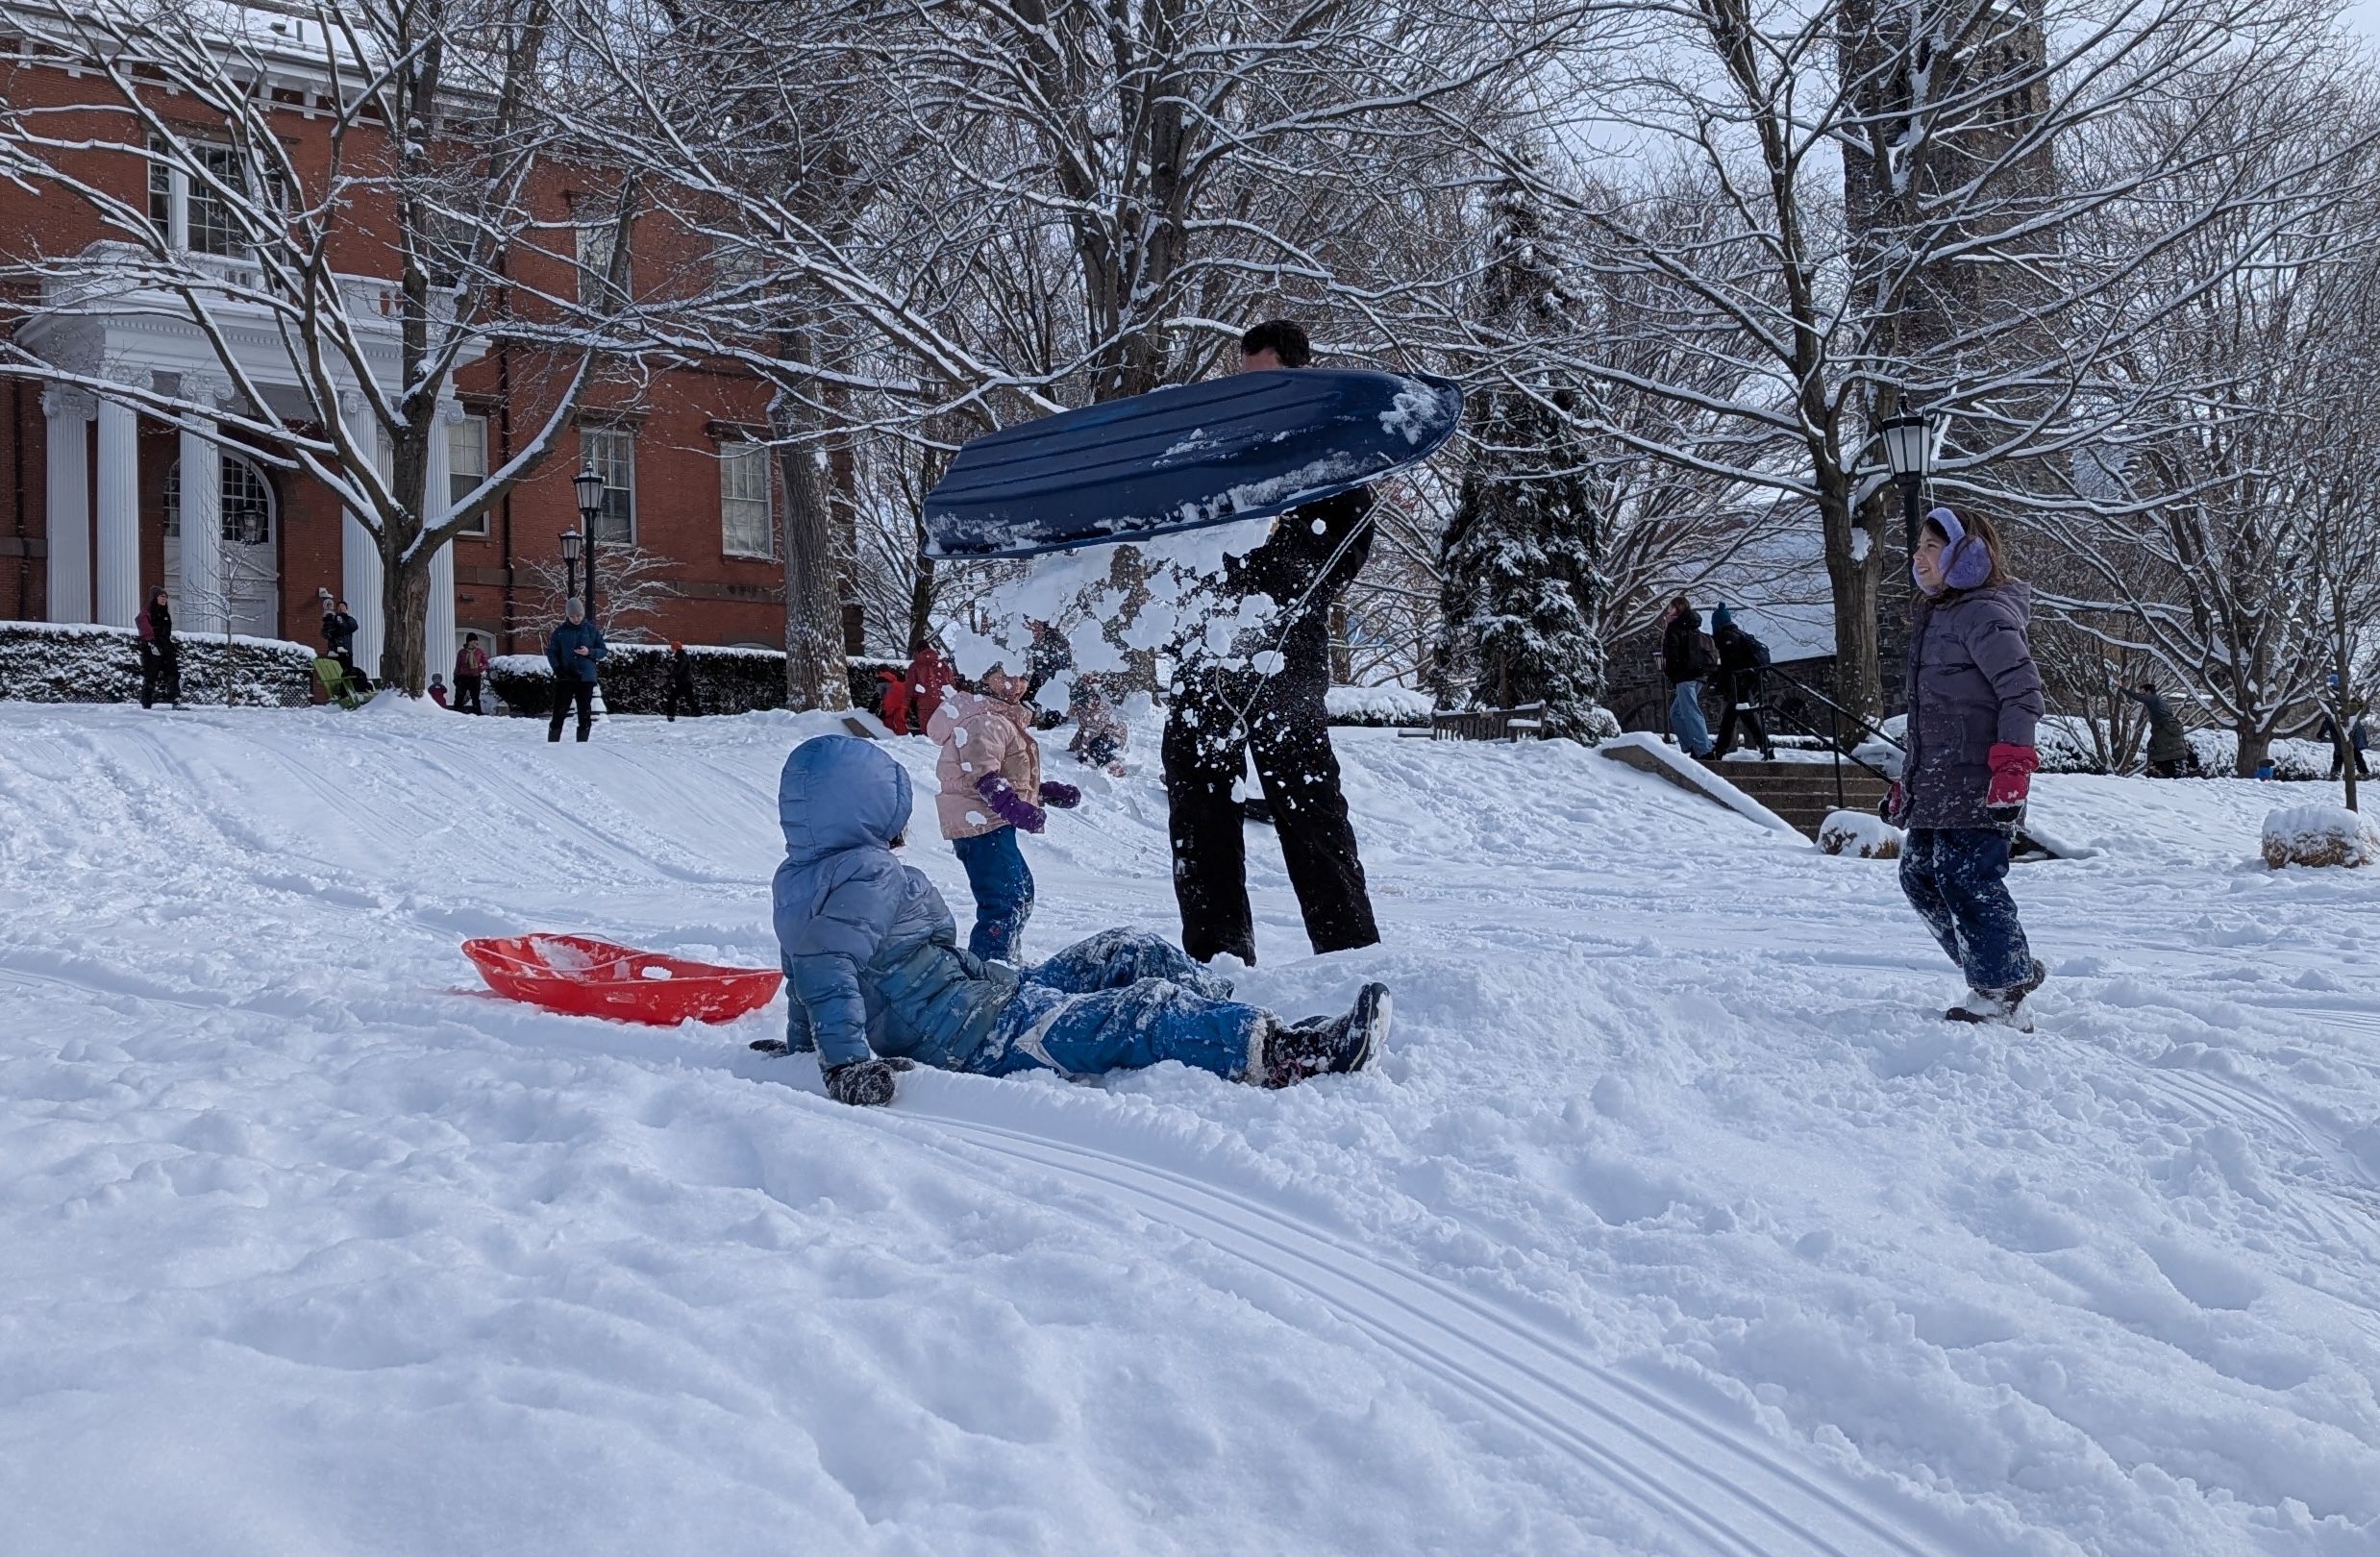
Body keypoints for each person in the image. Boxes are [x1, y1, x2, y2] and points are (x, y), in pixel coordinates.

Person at [761, 734, 1388, 1107]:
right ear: (870, 806)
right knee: (1141, 1011)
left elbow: (805, 975)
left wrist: (801, 1046)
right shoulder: (863, 875)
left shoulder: (804, 881)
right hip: (978, 1037)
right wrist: (846, 1065)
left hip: (991, 996)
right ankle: (1279, 1052)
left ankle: (1222, 1006)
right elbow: (824, 971)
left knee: (1123, 949)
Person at [1163, 317, 1379, 966]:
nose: (1251, 393)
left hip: (1285, 653)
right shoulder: (1224, 451)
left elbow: (1346, 546)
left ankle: (1348, 957)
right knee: (1198, 806)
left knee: (1308, 807)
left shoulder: (1328, 454)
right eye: (1244, 379)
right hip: (1206, 650)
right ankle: (1217, 958)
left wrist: (1269, 561)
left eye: (1265, 379)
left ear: (1299, 373)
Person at [1885, 507, 2046, 1031]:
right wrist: (1907, 781)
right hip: (1937, 780)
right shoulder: (1938, 617)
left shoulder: (1985, 615)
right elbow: (1933, 717)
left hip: (1979, 780)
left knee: (1965, 878)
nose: (1918, 557)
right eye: (1918, 547)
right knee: (1919, 876)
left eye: (1932, 547)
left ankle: (2000, 992)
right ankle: (2006, 967)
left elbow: (2022, 692)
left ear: (1967, 555)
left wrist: (2013, 766)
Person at [926, 660, 1081, 963]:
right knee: (1004, 900)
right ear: (986, 677)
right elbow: (983, 777)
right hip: (979, 824)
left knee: (1021, 892)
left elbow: (1007, 776)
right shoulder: (983, 720)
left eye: (1022, 676)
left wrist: (1041, 792)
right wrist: (1013, 807)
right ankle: (989, 967)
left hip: (991, 821)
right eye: (1007, 675)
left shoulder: (1000, 717)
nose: (1017, 684)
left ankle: (1006, 958)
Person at [1709, 605, 1774, 760]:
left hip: (1737, 683)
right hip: (1745, 682)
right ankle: (1766, 746)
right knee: (1745, 716)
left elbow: (1726, 665)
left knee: (1730, 719)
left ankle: (1719, 751)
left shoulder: (1725, 638)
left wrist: (1717, 683)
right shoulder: (1739, 635)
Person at [1660, 596, 1718, 757]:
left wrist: (1671, 673)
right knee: (1676, 712)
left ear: (1677, 609)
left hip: (1684, 676)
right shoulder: (1693, 627)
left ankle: (1704, 750)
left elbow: (1672, 655)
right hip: (1698, 675)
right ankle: (1692, 746)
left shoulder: (1674, 628)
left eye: (1670, 608)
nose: (1667, 612)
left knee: (1690, 711)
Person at [545, 597, 606, 742]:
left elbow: (603, 650)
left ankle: (582, 744)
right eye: (573, 616)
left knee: (585, 713)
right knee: (559, 712)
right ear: (568, 616)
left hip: (586, 677)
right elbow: (552, 652)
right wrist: (557, 668)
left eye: (578, 615)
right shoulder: (560, 632)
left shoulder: (591, 630)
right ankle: (552, 744)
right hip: (566, 676)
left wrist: (590, 652)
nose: (576, 619)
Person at [2118, 681, 2191, 777]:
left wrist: (2121, 688)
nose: (2141, 694)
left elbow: (2136, 697)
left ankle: (2154, 767)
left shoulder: (2151, 699)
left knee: (2153, 747)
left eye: (2142, 692)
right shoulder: (2164, 702)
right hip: (2170, 728)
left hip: (2161, 729)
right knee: (2163, 747)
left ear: (2148, 692)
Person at [1069, 674, 1129, 773]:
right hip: (1102, 734)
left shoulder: (1100, 714)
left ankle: (1113, 765)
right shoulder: (1085, 711)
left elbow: (1089, 736)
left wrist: (1083, 754)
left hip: (1116, 735)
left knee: (1096, 747)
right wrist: (1073, 746)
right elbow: (1083, 729)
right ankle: (1108, 756)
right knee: (1094, 745)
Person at [136, 585, 180, 709]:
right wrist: (151, 642)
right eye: (161, 596)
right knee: (151, 675)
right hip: (152, 647)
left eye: (165, 596)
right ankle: (146, 703)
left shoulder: (166, 614)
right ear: (155, 598)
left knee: (173, 673)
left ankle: (176, 700)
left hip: (166, 647)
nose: (164, 598)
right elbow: (144, 627)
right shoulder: (146, 613)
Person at [906, 643, 954, 732]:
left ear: (918, 651)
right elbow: (951, 684)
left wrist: (908, 706)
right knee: (942, 732)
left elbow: (910, 689)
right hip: (943, 702)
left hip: (925, 704)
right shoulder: (943, 664)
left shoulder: (914, 666)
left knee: (928, 732)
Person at [2318, 704, 2370, 780]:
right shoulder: (2353, 713)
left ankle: (2336, 773)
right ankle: (2363, 772)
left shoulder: (2334, 712)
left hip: (2340, 736)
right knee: (2356, 753)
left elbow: (2327, 722)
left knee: (2339, 754)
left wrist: (2321, 733)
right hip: (2353, 737)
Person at [319, 592, 359, 674]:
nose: (340, 608)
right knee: (334, 671)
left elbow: (354, 627)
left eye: (342, 606)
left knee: (347, 670)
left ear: (346, 608)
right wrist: (330, 633)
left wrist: (341, 628)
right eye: (339, 606)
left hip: (346, 649)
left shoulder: (349, 619)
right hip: (334, 650)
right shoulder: (332, 619)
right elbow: (324, 632)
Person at [665, 641, 702, 722]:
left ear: (675, 648)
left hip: (684, 683)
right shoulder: (680, 656)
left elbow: (679, 669)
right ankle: (699, 715)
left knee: (685, 700)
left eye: (672, 648)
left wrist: (670, 676)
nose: (671, 649)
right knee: (682, 699)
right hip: (682, 682)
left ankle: (671, 716)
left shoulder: (682, 656)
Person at [453, 633, 489, 715]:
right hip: (462, 677)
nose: (476, 642)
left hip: (475, 677)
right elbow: (458, 665)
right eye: (474, 641)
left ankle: (477, 713)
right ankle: (456, 713)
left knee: (475, 697)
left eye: (477, 641)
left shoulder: (480, 652)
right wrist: (455, 676)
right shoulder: (461, 652)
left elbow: (486, 663)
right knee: (459, 696)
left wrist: (480, 668)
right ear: (469, 642)